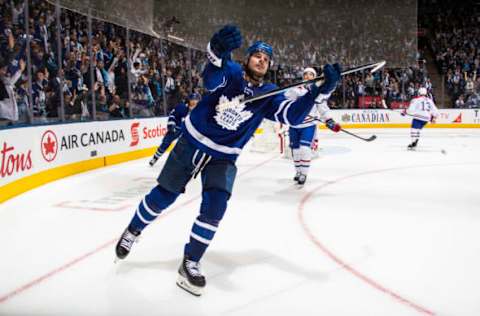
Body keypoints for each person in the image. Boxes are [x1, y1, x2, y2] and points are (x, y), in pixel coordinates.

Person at [115, 24, 341, 296]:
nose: (261, 60)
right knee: (164, 195)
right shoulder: (232, 72)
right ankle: (133, 230)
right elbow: (211, 78)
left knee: (215, 207)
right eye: (257, 55)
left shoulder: (269, 93)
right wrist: (217, 48)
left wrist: (319, 92)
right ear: (247, 58)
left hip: (224, 157)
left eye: (266, 59)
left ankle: (191, 262)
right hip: (193, 141)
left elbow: (292, 116)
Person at [285, 67, 341, 186]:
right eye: (306, 74)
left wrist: (329, 120)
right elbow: (287, 103)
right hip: (294, 125)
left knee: (305, 149)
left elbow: (322, 108)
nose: (308, 76)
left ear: (314, 77)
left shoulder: (318, 92)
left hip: (308, 125)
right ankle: (298, 172)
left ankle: (304, 174)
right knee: (295, 151)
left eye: (311, 74)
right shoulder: (294, 89)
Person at [149, 92, 201, 166]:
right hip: (177, 129)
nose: (194, 101)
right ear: (189, 100)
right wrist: (171, 124)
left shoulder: (199, 111)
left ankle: (188, 161)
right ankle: (155, 158)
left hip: (188, 132)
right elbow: (173, 115)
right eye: (192, 99)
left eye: (196, 100)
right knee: (166, 142)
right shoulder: (181, 107)